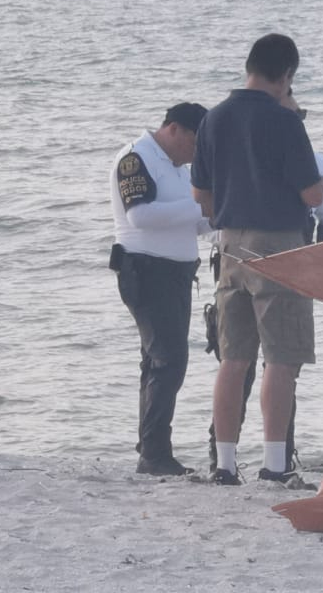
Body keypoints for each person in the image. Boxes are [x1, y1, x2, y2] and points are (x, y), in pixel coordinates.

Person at [191, 33, 323, 486]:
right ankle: (274, 464)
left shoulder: (213, 119)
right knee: (282, 359)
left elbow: (201, 196)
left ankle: (225, 465)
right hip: (280, 243)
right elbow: (312, 191)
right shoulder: (285, 122)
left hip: (229, 245)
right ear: (287, 75)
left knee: (234, 358)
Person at [109, 102, 210, 476]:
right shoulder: (136, 158)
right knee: (169, 361)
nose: (196, 154)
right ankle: (154, 453)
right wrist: (200, 206)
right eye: (195, 144)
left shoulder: (180, 170)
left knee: (157, 360)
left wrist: (217, 216)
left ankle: (150, 446)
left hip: (178, 273)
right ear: (174, 130)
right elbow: (142, 215)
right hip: (145, 269)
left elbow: (195, 222)